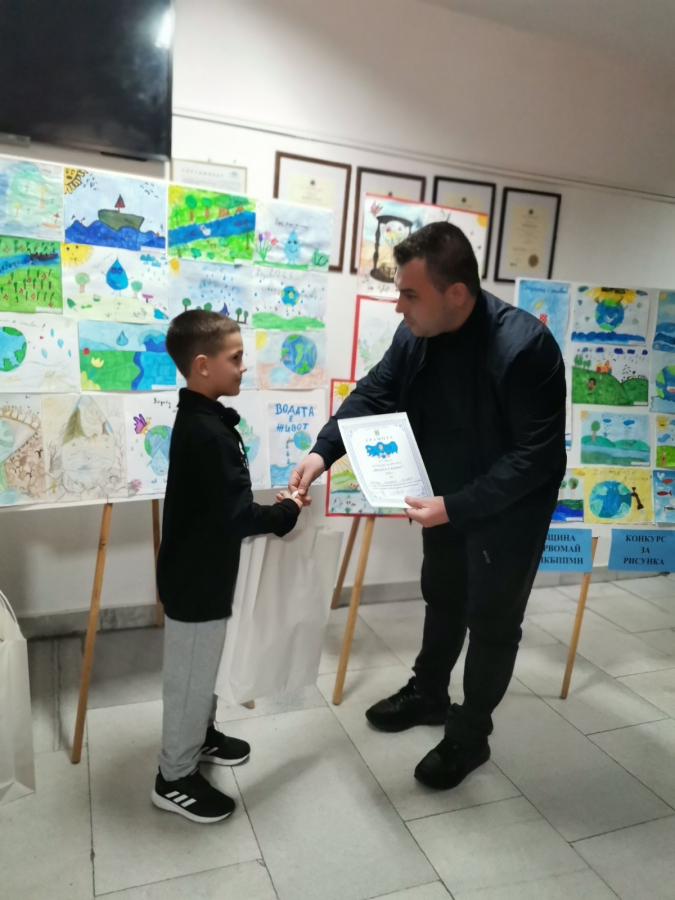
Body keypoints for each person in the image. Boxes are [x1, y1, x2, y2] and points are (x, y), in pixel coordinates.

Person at [289, 222, 566, 791]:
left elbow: (536, 458)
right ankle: (430, 693)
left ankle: (470, 734)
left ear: (456, 293)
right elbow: (375, 391)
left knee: (492, 622)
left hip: (506, 511)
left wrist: (456, 505)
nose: (399, 307)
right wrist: (323, 452)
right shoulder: (415, 334)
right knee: (443, 595)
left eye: (410, 294)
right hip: (442, 499)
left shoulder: (525, 348)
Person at [153, 310, 303, 823]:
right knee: (190, 679)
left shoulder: (206, 418)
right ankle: (173, 777)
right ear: (202, 365)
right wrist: (287, 512)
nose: (243, 367)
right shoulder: (207, 433)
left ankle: (201, 736)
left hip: (206, 572)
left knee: (207, 670)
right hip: (195, 582)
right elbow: (238, 515)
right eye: (236, 358)